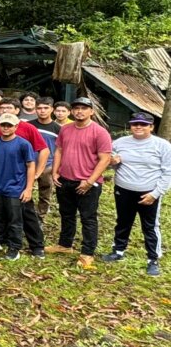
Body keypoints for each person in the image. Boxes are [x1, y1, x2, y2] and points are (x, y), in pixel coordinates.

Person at [49, 96, 113, 269]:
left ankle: (87, 253)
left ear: (91, 111)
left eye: (84, 108)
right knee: (66, 214)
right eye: (76, 108)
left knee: (88, 218)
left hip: (87, 183)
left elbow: (105, 159)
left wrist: (90, 181)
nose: (79, 111)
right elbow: (59, 151)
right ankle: (65, 245)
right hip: (65, 180)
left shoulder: (100, 132)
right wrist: (55, 172)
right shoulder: (66, 129)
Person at [104, 112, 170, 277]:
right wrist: (112, 162)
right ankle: (118, 250)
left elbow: (168, 172)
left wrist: (155, 194)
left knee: (150, 226)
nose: (138, 127)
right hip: (123, 189)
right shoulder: (119, 143)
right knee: (123, 221)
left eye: (143, 124)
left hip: (148, 192)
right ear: (130, 126)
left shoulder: (162, 145)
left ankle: (153, 259)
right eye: (135, 124)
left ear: (151, 127)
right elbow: (109, 162)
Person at [0, 113, 36, 261]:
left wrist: (28, 188)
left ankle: (14, 247)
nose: (6, 128)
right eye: (3, 125)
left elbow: (30, 165)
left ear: (16, 126)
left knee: (15, 220)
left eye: (9, 125)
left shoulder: (23, 144)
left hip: (15, 188)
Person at [32, 97, 60, 220]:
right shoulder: (29, 125)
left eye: (45, 108)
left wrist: (56, 168)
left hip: (48, 166)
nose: (42, 111)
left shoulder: (58, 128)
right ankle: (25, 217)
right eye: (39, 108)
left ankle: (40, 218)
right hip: (29, 164)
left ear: (52, 109)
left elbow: (61, 149)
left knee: (45, 193)